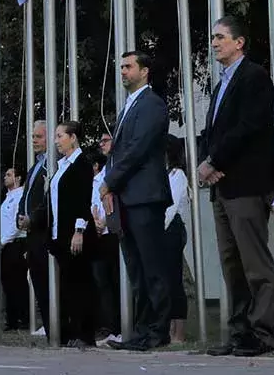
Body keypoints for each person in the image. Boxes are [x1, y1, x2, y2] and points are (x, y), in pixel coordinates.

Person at [197, 17, 274, 357]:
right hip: (224, 187)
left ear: (239, 42)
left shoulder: (254, 77)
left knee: (255, 264)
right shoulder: (221, 85)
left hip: (246, 184)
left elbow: (248, 127)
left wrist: (214, 161)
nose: (214, 43)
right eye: (213, 37)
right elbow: (213, 132)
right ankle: (239, 333)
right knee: (232, 266)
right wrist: (209, 163)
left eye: (220, 37)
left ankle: (264, 334)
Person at [99, 51, 172, 351]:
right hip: (127, 199)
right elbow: (119, 152)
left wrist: (109, 181)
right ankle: (143, 331)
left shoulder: (152, 104)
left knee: (153, 267)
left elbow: (137, 149)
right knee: (137, 269)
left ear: (144, 71)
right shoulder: (129, 106)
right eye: (121, 67)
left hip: (145, 196)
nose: (123, 72)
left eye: (129, 67)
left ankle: (158, 331)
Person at [49, 121, 99, 349]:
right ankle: (71, 332)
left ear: (73, 137)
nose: (57, 140)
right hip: (60, 233)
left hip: (75, 234)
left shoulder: (81, 164)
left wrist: (79, 230)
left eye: (60, 136)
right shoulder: (62, 166)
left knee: (81, 284)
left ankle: (86, 334)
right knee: (69, 286)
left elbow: (82, 200)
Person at [16, 121, 50, 335]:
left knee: (48, 278)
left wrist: (33, 218)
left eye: (39, 136)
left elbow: (46, 198)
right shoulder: (35, 166)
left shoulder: (51, 164)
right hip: (31, 232)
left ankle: (54, 322)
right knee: (37, 278)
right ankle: (47, 323)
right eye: (33, 136)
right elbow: (26, 195)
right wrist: (20, 217)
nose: (34, 140)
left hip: (44, 229)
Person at [91, 139, 121, 342]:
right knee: (101, 281)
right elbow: (93, 203)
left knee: (115, 280)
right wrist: (95, 221)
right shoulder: (94, 180)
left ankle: (118, 324)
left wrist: (104, 222)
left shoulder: (113, 172)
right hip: (98, 234)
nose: (102, 144)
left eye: (105, 140)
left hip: (111, 233)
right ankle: (106, 323)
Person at [164, 135, 191, 343]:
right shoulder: (162, 174)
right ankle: (168, 329)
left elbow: (171, 208)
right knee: (164, 281)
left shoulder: (177, 174)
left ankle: (179, 333)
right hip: (161, 230)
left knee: (174, 280)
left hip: (171, 229)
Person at [0, 166, 29, 332]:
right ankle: (11, 319)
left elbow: (16, 223)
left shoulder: (20, 195)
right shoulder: (7, 197)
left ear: (17, 178)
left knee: (18, 282)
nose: (5, 177)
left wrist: (4, 241)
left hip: (16, 242)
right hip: (6, 243)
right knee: (7, 283)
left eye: (9, 174)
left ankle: (23, 318)